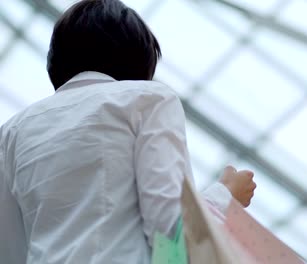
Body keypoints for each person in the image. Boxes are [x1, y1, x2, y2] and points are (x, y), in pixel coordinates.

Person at [0, 0, 256, 263]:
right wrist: (225, 196)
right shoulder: (147, 100)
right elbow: (168, 231)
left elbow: (8, 250)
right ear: (138, 62)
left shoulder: (11, 132)